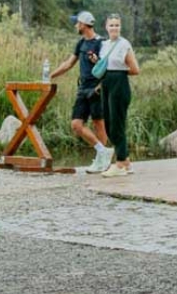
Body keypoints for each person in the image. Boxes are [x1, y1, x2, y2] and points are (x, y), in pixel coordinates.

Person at [48, 11, 113, 173]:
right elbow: (68, 64)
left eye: (77, 23)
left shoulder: (101, 43)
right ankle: (103, 152)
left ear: (84, 24)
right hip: (82, 89)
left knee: (99, 123)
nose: (76, 25)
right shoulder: (80, 43)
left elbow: (109, 67)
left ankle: (101, 161)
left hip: (97, 89)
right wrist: (50, 76)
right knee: (76, 125)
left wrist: (101, 84)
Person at [99, 14, 141, 178]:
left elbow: (135, 69)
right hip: (106, 84)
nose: (114, 28)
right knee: (109, 124)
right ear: (106, 27)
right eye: (112, 25)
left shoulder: (124, 44)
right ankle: (126, 162)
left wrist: (119, 73)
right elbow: (104, 64)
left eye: (117, 25)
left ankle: (120, 163)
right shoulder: (104, 45)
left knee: (117, 125)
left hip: (119, 85)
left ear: (120, 27)